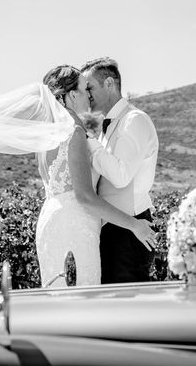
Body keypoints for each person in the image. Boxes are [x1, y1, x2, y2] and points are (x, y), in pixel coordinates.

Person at [36, 65, 156, 287]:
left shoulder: (47, 136)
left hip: (51, 221)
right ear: (72, 95)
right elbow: (84, 196)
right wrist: (134, 225)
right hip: (77, 223)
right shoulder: (76, 133)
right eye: (85, 89)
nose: (89, 96)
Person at [81, 58, 159, 284]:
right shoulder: (108, 125)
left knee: (128, 308)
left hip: (130, 232)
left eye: (90, 87)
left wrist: (89, 141)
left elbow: (121, 176)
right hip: (113, 228)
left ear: (108, 84)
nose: (87, 95)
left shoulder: (134, 120)